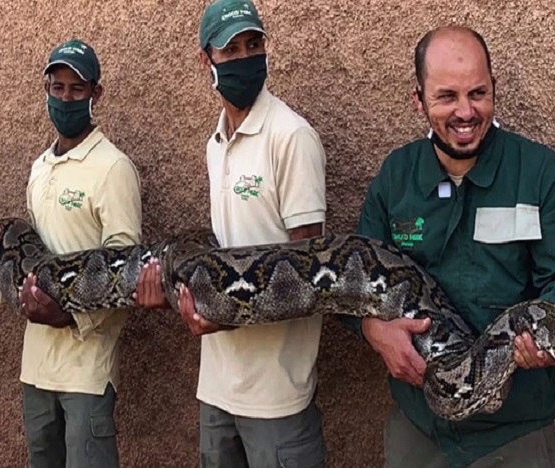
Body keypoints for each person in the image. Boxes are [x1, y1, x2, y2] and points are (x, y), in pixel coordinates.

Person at [341, 26, 555, 468]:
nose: (465, 112)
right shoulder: (396, 177)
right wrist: (371, 330)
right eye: (447, 97)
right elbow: (349, 280)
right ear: (419, 99)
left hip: (515, 435)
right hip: (418, 428)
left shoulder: (542, 174)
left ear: (494, 89)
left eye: (478, 93)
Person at [138, 1, 329, 466]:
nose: (245, 57)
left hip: (276, 392)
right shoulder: (216, 144)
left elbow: (309, 275)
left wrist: (226, 315)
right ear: (206, 60)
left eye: (253, 44)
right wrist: (172, 292)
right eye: (230, 50)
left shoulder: (291, 136)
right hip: (217, 386)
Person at [0, 40, 144, 468]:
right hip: (36, 368)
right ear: (46, 89)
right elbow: (25, 259)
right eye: (58, 87)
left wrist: (68, 316)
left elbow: (126, 272)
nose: (66, 98)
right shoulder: (39, 168)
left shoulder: (114, 168)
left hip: (87, 369)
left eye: (77, 89)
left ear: (95, 94)